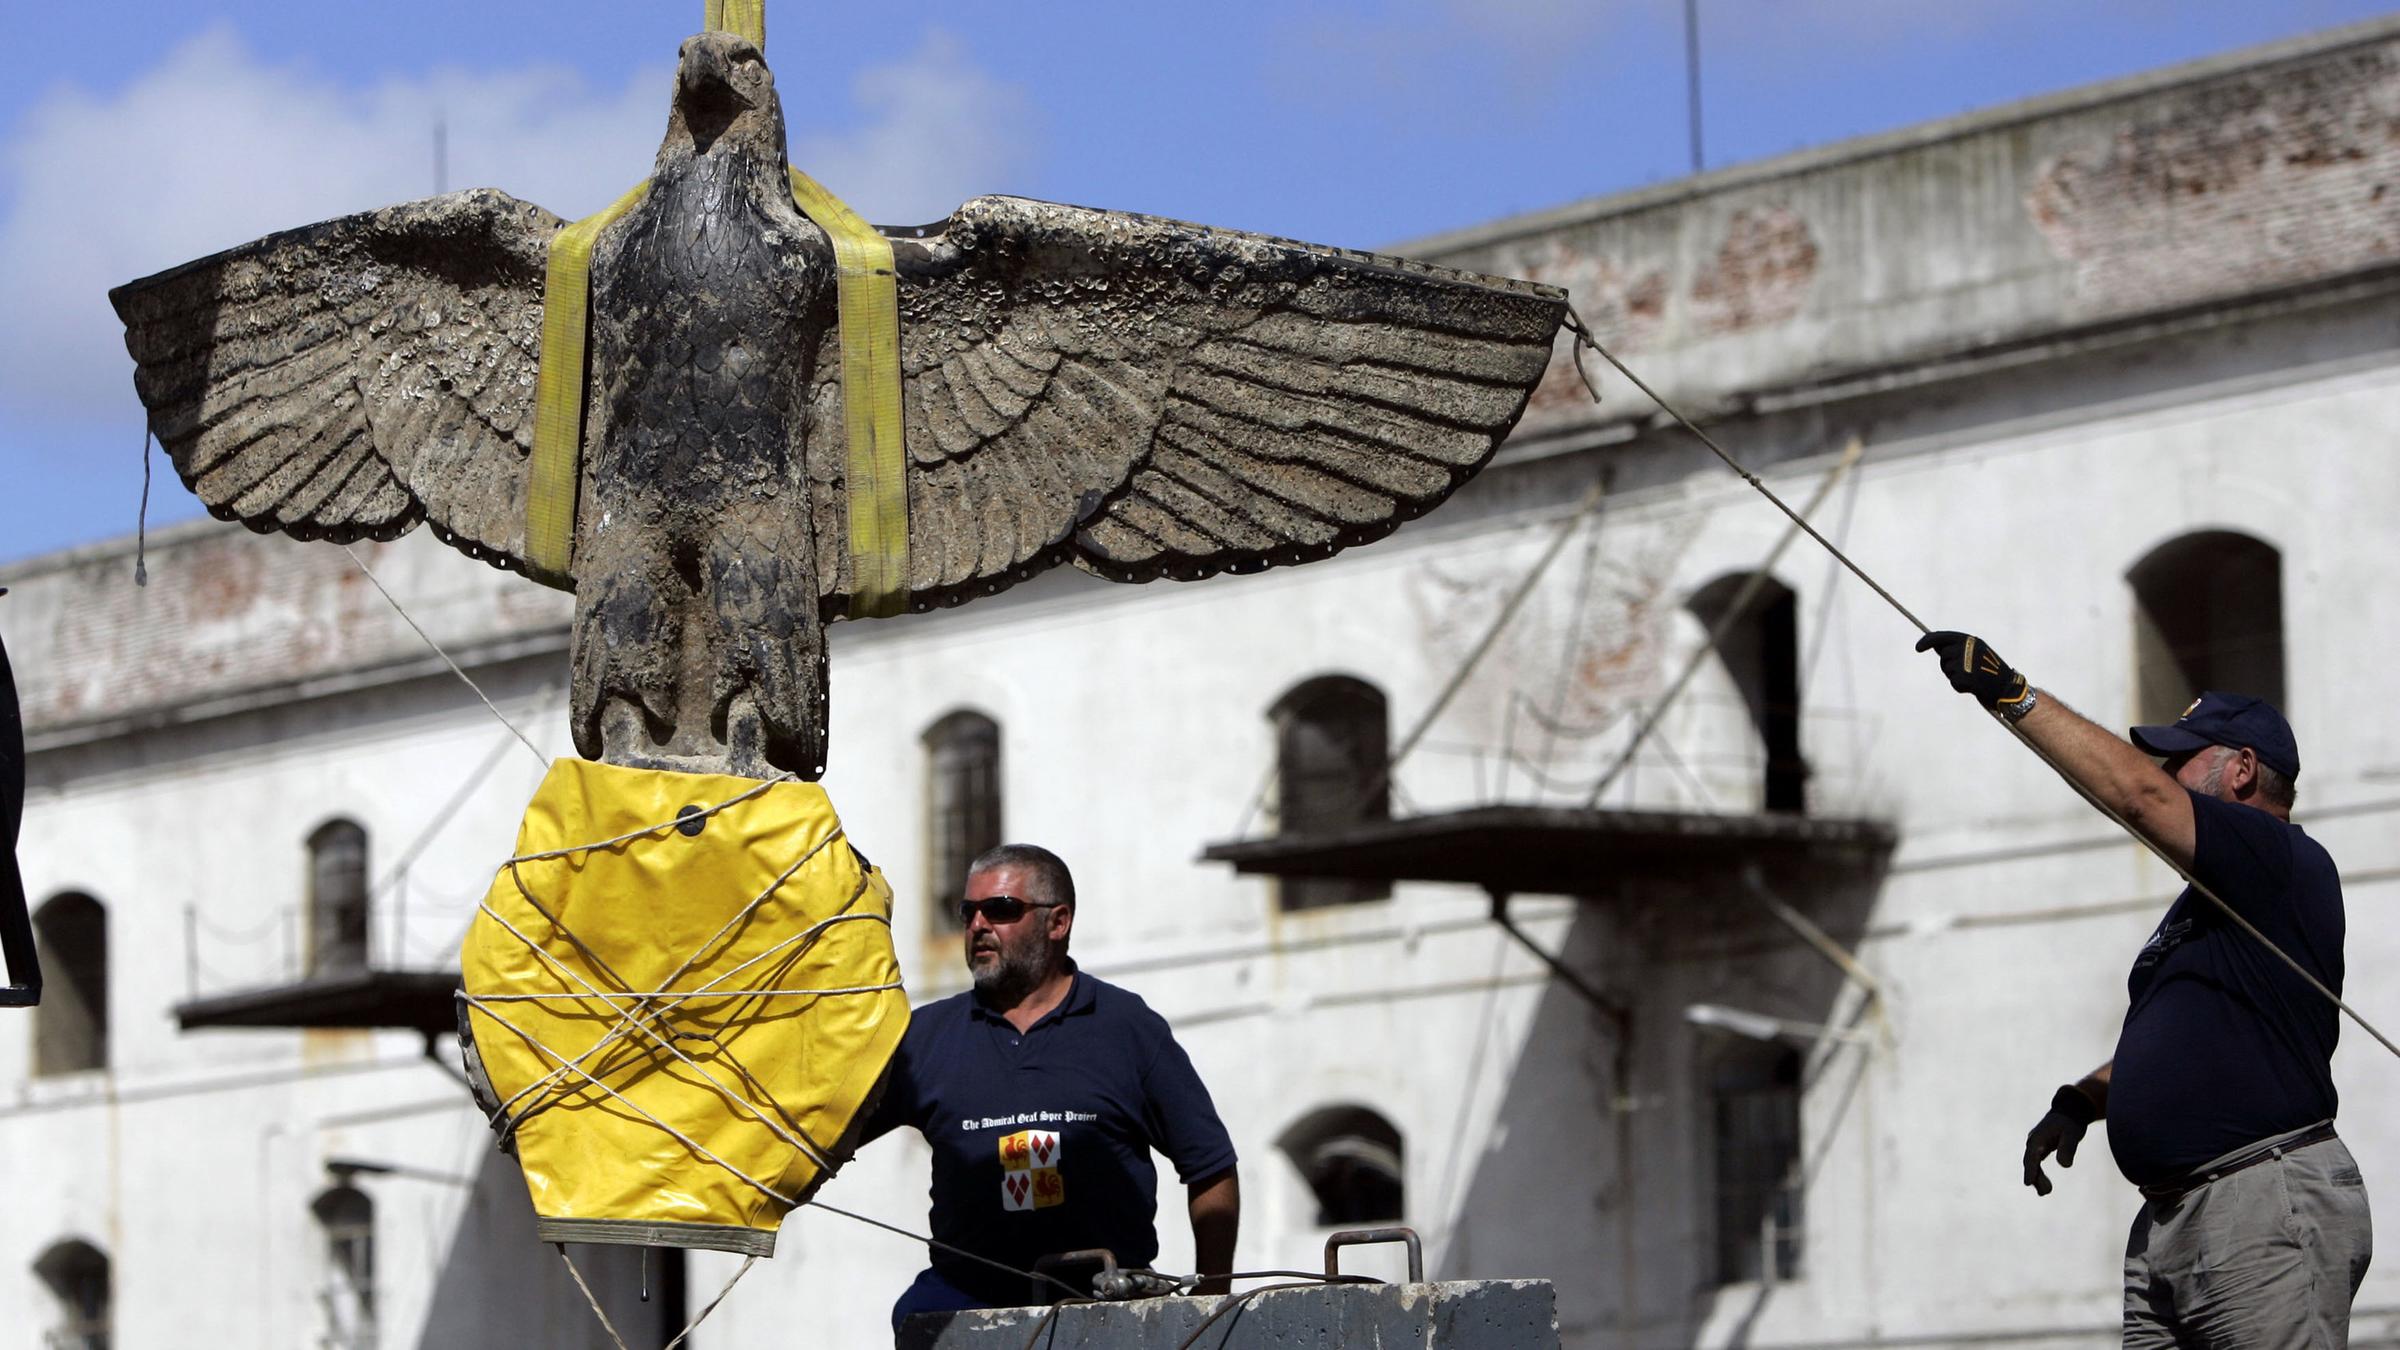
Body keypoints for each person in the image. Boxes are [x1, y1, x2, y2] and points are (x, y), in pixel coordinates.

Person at [1917, 631, 2370, 1345]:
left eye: (2181, 760)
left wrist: (2012, 696)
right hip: (2175, 1218)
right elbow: (2193, 1042)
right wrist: (2084, 1099)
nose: (2165, 774)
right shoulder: (2210, 907)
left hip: (2258, 1206)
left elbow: (2138, 796)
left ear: (2244, 770)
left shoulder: (2278, 859)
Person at [861, 842, 1240, 1333]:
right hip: (967, 1301)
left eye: (1000, 910)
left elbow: (1210, 1169)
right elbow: (827, 1133)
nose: (978, 926)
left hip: (1106, 1305)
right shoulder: (925, 1036)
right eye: (967, 912)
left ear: (1057, 922)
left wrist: (1209, 1304)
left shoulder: (1128, 1027)